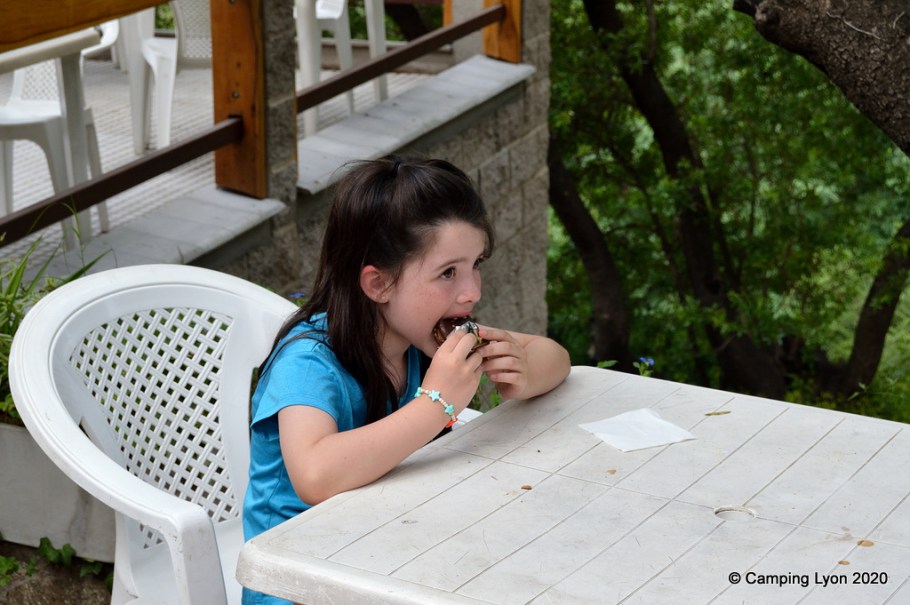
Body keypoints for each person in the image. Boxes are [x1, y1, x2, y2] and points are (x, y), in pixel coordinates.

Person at [241, 156, 570, 605]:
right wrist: (436, 405)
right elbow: (315, 475)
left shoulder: (422, 333)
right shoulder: (308, 363)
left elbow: (555, 356)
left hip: (397, 554)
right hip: (301, 585)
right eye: (448, 273)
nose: (472, 290)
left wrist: (524, 369)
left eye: (475, 264)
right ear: (379, 285)